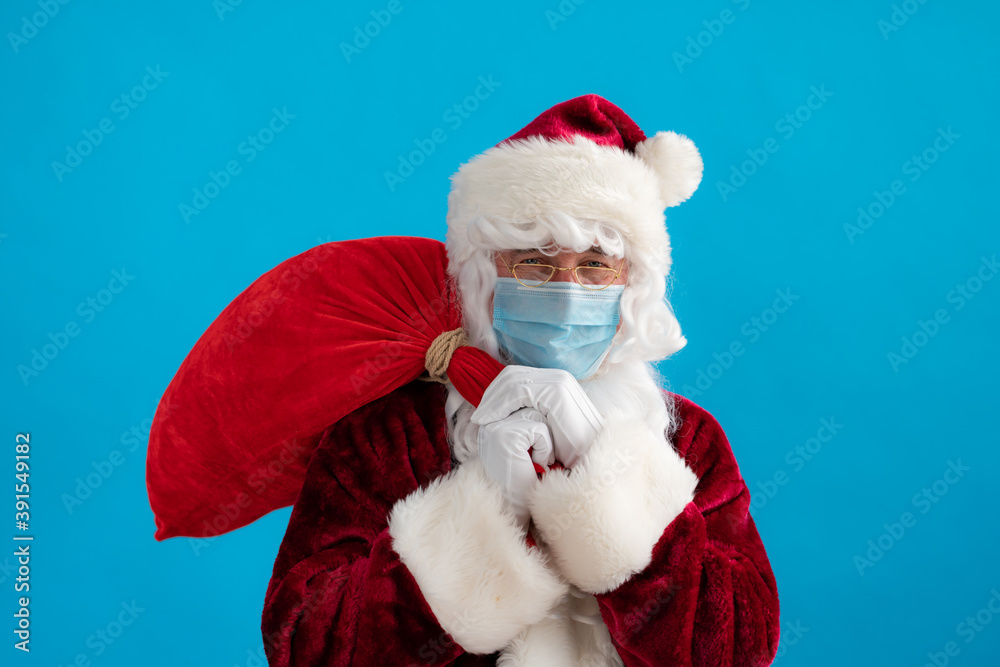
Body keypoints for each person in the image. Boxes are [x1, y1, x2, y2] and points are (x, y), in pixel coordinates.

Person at [260, 94, 780, 666]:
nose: (565, 291)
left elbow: (738, 650)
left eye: (594, 266)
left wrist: (612, 490)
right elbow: (306, 647)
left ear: (632, 285)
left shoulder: (689, 441)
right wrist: (485, 513)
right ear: (486, 275)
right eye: (533, 263)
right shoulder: (387, 437)